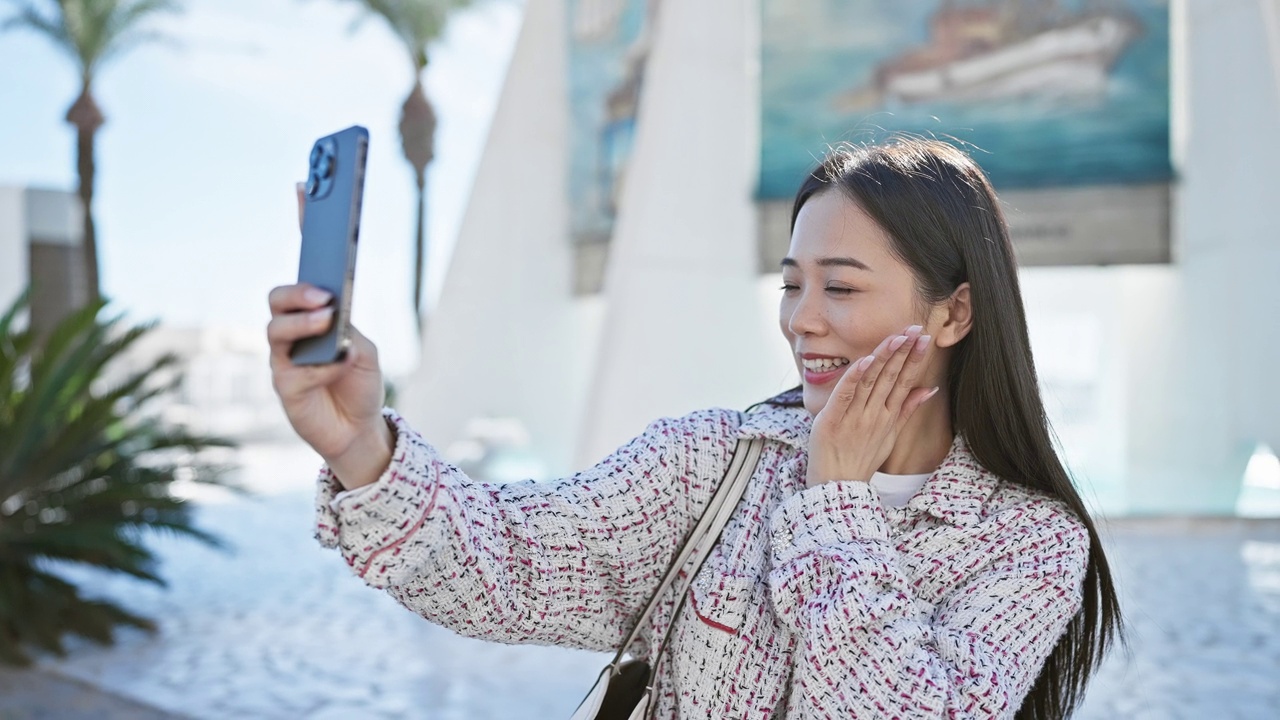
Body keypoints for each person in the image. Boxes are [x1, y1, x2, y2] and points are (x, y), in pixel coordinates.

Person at [267, 137, 1122, 719]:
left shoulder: (1029, 542)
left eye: (843, 287)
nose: (803, 322)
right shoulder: (713, 461)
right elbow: (512, 564)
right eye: (792, 285)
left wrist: (835, 501)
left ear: (955, 311)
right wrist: (359, 446)